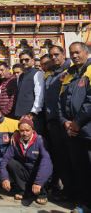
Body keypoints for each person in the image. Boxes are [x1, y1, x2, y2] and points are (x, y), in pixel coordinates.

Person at [58, 42, 91, 211]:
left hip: (87, 129)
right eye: (72, 53)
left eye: (78, 52)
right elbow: (60, 100)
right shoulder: (69, 74)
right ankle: (82, 202)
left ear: (86, 53)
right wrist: (64, 121)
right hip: (71, 129)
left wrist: (77, 122)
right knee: (78, 168)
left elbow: (90, 102)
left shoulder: (90, 71)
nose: (75, 56)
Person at [0, 117, 52, 205]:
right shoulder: (15, 141)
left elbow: (46, 162)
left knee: (45, 166)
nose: (24, 133)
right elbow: (4, 160)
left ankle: (42, 193)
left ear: (32, 129)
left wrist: (38, 182)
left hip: (38, 173)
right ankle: (24, 190)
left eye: (27, 130)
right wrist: (4, 178)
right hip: (26, 171)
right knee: (10, 163)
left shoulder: (40, 140)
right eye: (22, 131)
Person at [43, 45, 72, 198]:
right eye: (51, 55)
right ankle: (66, 189)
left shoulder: (70, 71)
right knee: (59, 156)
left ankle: (75, 191)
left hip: (65, 121)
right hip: (52, 121)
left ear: (63, 54)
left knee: (70, 157)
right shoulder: (50, 74)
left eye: (56, 54)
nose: (54, 57)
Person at [13, 50, 44, 134]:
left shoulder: (37, 74)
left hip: (31, 115)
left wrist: (33, 112)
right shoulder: (21, 76)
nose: (23, 62)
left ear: (33, 60)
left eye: (26, 60)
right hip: (20, 114)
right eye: (21, 60)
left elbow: (39, 95)